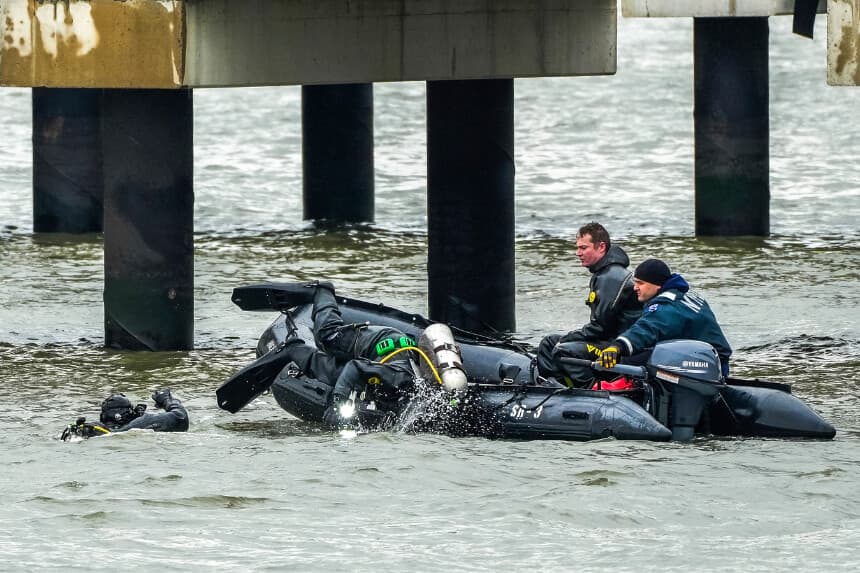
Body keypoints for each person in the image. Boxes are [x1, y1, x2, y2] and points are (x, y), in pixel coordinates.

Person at [536, 222, 642, 387]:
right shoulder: (603, 273)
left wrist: (568, 338)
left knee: (562, 349)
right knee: (548, 342)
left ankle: (591, 390)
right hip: (605, 340)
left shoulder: (611, 277)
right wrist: (567, 338)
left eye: (583, 248)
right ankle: (553, 387)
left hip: (616, 347)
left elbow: (600, 327)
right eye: (577, 248)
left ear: (601, 247)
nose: (578, 253)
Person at [599, 259, 732, 377]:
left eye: (640, 283)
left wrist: (618, 346)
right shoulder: (685, 294)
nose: (635, 287)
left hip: (708, 362)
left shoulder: (667, 305)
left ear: (656, 284)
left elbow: (648, 328)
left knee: (627, 363)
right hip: (713, 358)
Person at [60, 389, 189, 441]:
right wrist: (166, 400)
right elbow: (181, 417)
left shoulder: (93, 427)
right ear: (126, 414)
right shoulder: (141, 423)